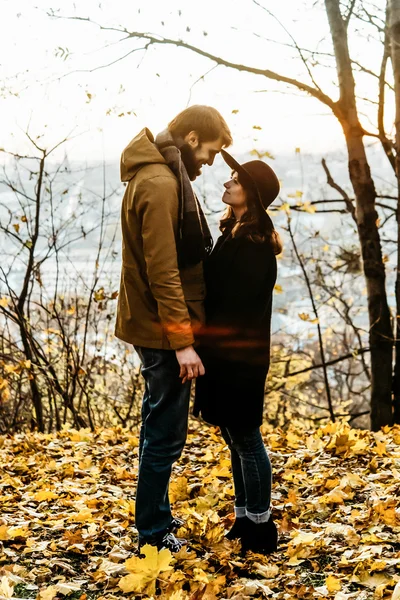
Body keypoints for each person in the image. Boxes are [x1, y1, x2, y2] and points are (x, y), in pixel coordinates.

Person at [114, 106, 232, 553]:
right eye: (210, 150)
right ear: (190, 136)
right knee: (166, 433)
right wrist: (183, 343)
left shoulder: (154, 174)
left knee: (155, 424)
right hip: (163, 331)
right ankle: (153, 534)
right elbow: (163, 272)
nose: (210, 161)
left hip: (151, 323)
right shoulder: (162, 185)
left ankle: (155, 516)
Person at [193, 149, 282, 555]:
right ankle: (245, 517)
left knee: (246, 439)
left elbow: (234, 302)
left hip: (239, 359)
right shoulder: (234, 233)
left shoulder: (255, 245)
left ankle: (262, 527)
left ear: (253, 194)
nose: (227, 183)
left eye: (236, 179)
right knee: (234, 438)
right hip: (222, 354)